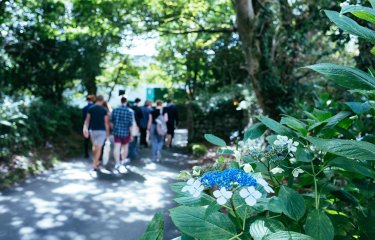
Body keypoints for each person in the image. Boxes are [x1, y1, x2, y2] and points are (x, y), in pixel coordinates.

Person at [83, 95, 110, 171]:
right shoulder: (104, 110)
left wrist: (85, 129)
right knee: (99, 147)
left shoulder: (91, 109)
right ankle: (95, 163)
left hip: (92, 130)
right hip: (102, 131)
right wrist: (107, 133)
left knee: (95, 147)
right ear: (102, 100)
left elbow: (87, 120)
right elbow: (106, 123)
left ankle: (95, 162)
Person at [111, 97, 134, 169]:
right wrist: (132, 135)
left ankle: (117, 162)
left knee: (117, 147)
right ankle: (123, 160)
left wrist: (114, 129)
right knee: (125, 147)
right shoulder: (130, 111)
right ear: (126, 102)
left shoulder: (115, 110)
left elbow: (111, 121)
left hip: (117, 132)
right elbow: (131, 124)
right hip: (126, 132)